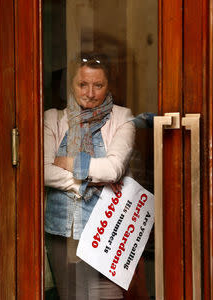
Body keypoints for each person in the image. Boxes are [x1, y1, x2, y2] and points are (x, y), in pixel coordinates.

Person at [44, 52, 135, 299]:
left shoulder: (122, 118)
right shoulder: (53, 119)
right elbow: (43, 171)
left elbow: (113, 169)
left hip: (109, 228)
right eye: (82, 84)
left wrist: (69, 162)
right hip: (63, 230)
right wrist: (80, 184)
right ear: (70, 84)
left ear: (108, 86)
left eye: (98, 85)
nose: (90, 93)